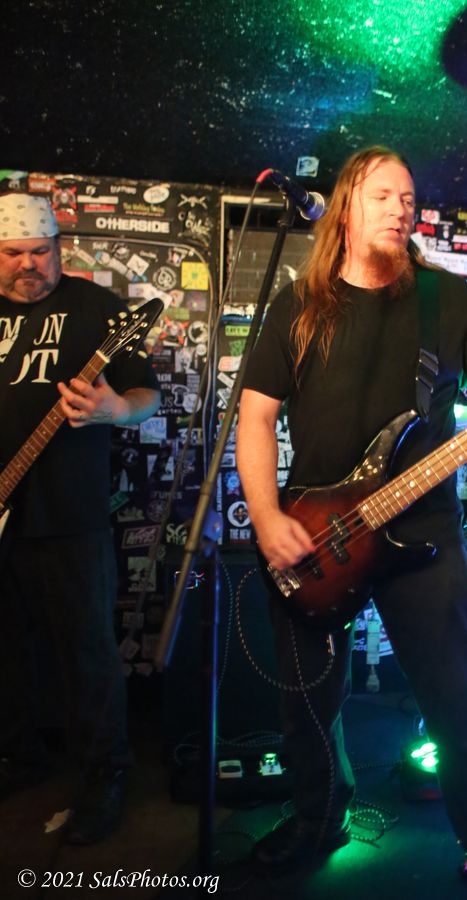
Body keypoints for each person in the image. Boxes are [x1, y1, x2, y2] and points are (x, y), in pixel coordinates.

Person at [235, 147, 467, 899]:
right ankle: (318, 821)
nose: (401, 207)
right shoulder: (298, 305)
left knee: (464, 717)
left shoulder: (444, 300)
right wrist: (266, 516)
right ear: (346, 206)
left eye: (409, 198)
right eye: (384, 194)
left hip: (421, 535)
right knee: (307, 708)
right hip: (314, 532)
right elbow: (256, 417)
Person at [0, 193, 161, 844]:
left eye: (41, 252)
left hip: (70, 516)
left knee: (88, 653)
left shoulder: (97, 309)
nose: (28, 265)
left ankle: (105, 774)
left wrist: (114, 409)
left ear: (60, 248)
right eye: (13, 253)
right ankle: (19, 756)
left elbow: (147, 396)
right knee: (7, 651)